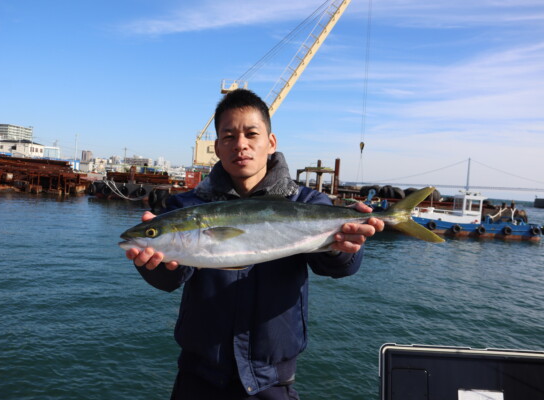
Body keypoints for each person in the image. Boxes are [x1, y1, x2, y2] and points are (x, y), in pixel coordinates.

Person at [125, 89, 384, 399]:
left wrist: (343, 249)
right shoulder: (185, 206)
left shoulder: (308, 201)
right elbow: (172, 275)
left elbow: (339, 266)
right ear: (217, 147)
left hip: (272, 381)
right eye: (229, 136)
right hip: (198, 377)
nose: (241, 145)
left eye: (251, 134)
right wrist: (153, 265)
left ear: (270, 143)